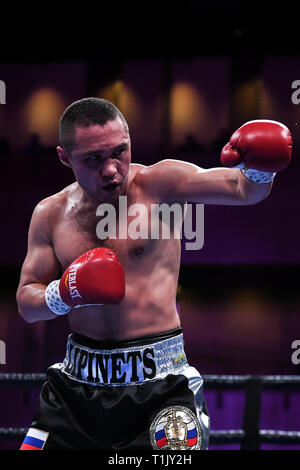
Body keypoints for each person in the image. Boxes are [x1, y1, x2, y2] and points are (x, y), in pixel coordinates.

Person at [16, 98, 292, 450]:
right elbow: (27, 301)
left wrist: (260, 168)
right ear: (65, 157)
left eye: (120, 152)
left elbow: (243, 190)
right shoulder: (50, 214)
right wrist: (64, 293)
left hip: (161, 388)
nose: (112, 170)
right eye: (94, 159)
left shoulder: (161, 185)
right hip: (75, 391)